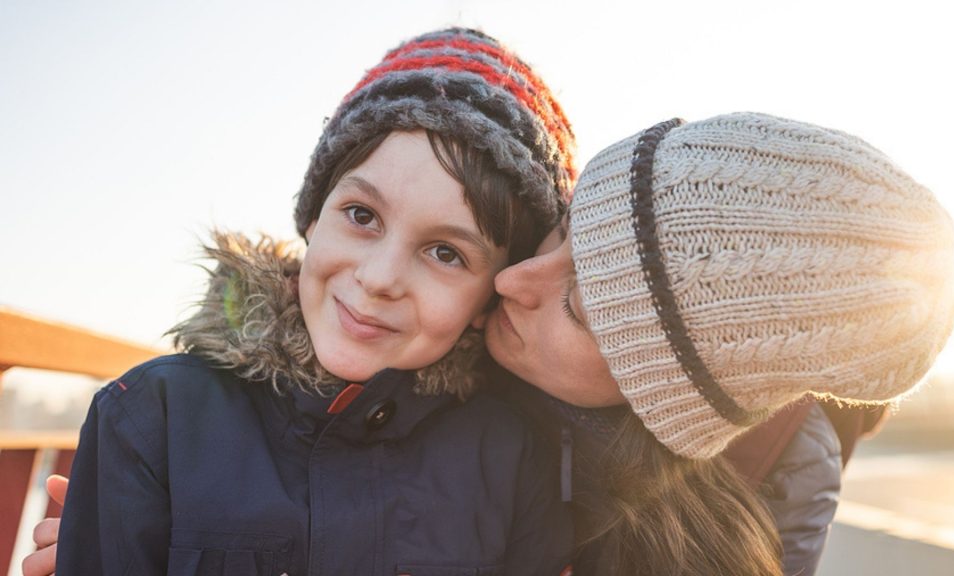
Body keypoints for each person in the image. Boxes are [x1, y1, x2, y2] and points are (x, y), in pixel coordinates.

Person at [51, 27, 578, 576]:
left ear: (489, 298)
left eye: (444, 252)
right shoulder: (151, 417)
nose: (378, 279)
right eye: (362, 215)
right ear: (312, 217)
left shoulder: (514, 459)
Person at [482, 113, 954, 575]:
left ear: (661, 400)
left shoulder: (778, 486)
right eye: (564, 230)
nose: (510, 280)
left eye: (578, 309)